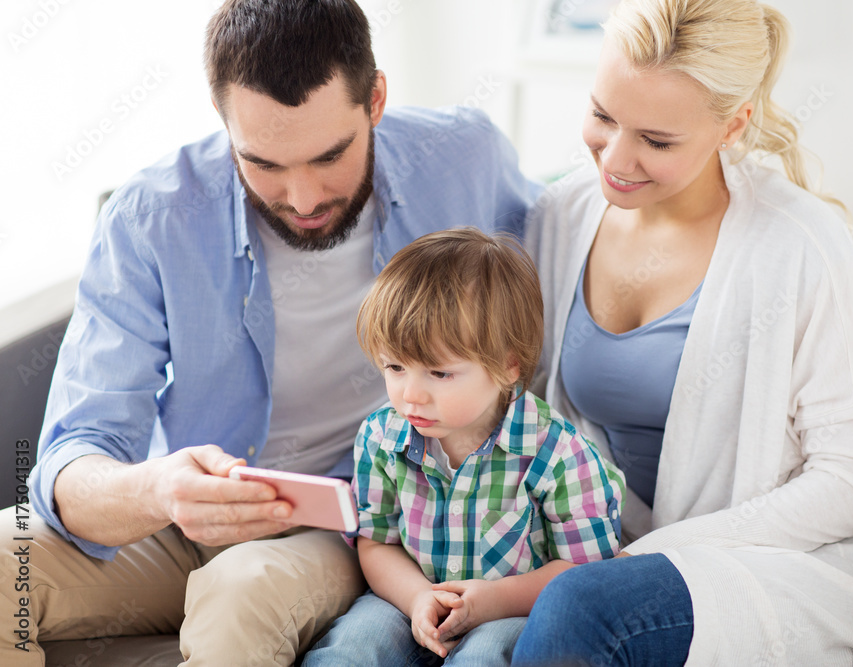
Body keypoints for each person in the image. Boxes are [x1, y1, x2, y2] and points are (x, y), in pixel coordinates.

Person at [0, 1, 540, 665]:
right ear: (223, 122)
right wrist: (160, 489)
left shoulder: (461, 157)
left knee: (240, 591)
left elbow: (560, 273)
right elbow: (70, 461)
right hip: (182, 516)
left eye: (329, 155)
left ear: (375, 99)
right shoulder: (153, 217)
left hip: (347, 522)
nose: (304, 197)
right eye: (263, 163)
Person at [512, 0, 853, 665]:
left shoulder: (802, 244)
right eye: (603, 116)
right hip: (603, 551)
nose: (616, 157)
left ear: (733, 125)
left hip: (770, 567)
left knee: (580, 604)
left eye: (657, 141)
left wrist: (650, 555)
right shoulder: (561, 214)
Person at [302, 228, 625, 666]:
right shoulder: (381, 437)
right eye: (395, 367)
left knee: (488, 655)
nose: (411, 395)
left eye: (439, 373)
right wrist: (417, 597)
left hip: (510, 609)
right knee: (355, 645)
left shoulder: (557, 453)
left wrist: (492, 600)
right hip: (409, 597)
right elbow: (377, 542)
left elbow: (584, 573)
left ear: (508, 365)